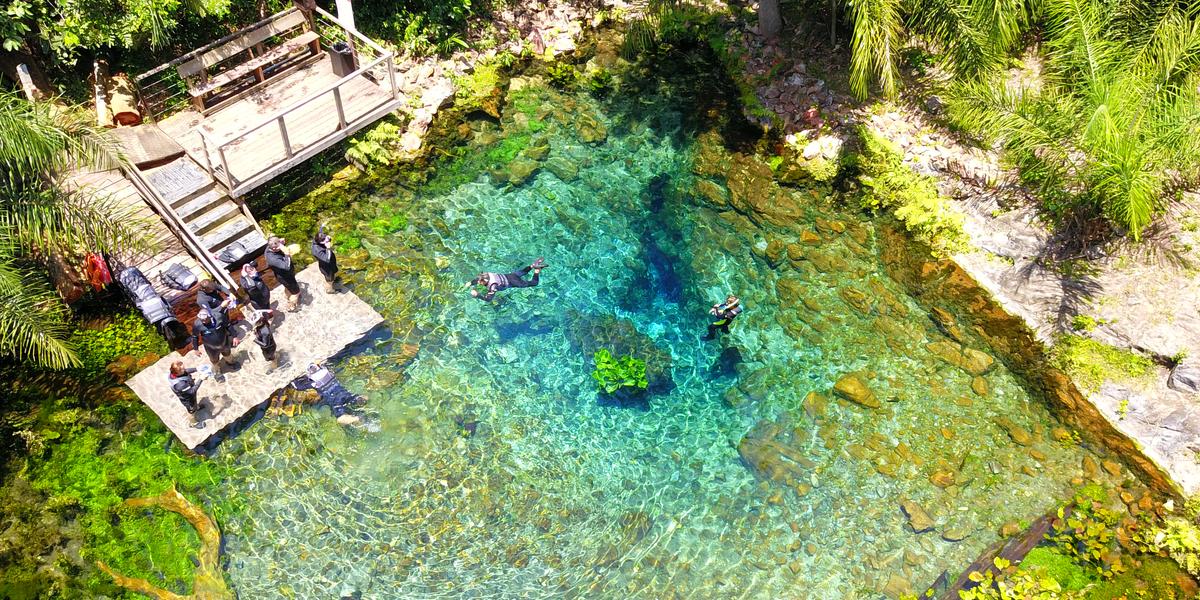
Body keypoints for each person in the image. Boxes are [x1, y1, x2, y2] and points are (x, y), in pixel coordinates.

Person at [293, 363, 363, 425]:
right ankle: (359, 401)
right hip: (342, 394)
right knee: (352, 400)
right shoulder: (326, 373)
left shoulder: (315, 382)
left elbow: (297, 386)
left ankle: (357, 415)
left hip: (336, 398)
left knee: (341, 417)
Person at [466, 258, 546, 301]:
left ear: (485, 281)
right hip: (511, 275)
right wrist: (470, 283)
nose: (479, 282)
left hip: (515, 282)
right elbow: (480, 279)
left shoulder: (493, 286)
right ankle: (533, 265)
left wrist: (477, 295)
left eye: (480, 282)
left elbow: (488, 299)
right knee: (523, 272)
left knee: (534, 283)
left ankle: (537, 270)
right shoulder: (487, 274)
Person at [191, 308, 239, 380]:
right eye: (201, 320)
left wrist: (235, 336)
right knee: (214, 360)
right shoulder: (197, 324)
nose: (203, 321)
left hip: (224, 342)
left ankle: (230, 362)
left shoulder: (219, 317)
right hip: (211, 348)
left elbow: (228, 325)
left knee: (228, 354)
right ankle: (217, 371)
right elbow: (195, 337)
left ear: (210, 316)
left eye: (205, 319)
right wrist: (196, 349)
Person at [265, 236, 301, 312]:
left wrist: (281, 243)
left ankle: (288, 295)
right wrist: (287, 253)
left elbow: (273, 241)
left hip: (284, 274)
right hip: (285, 277)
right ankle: (291, 305)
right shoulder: (272, 259)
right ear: (274, 249)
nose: (282, 247)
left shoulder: (270, 246)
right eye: (279, 247)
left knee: (288, 287)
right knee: (296, 292)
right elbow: (287, 267)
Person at [168, 361, 207, 428]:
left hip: (188, 393)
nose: (185, 369)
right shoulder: (180, 384)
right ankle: (193, 423)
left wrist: (196, 368)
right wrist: (201, 379)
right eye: (183, 369)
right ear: (177, 373)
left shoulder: (174, 373)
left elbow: (186, 371)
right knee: (191, 411)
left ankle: (196, 407)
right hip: (188, 399)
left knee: (194, 404)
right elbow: (192, 391)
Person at [310, 228, 342, 294]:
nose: (328, 240)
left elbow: (320, 231)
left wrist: (322, 226)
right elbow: (327, 259)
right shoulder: (317, 250)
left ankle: (334, 279)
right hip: (326, 267)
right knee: (329, 279)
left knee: (334, 273)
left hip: (331, 263)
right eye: (326, 241)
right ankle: (329, 290)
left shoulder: (318, 238)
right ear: (321, 242)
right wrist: (328, 248)